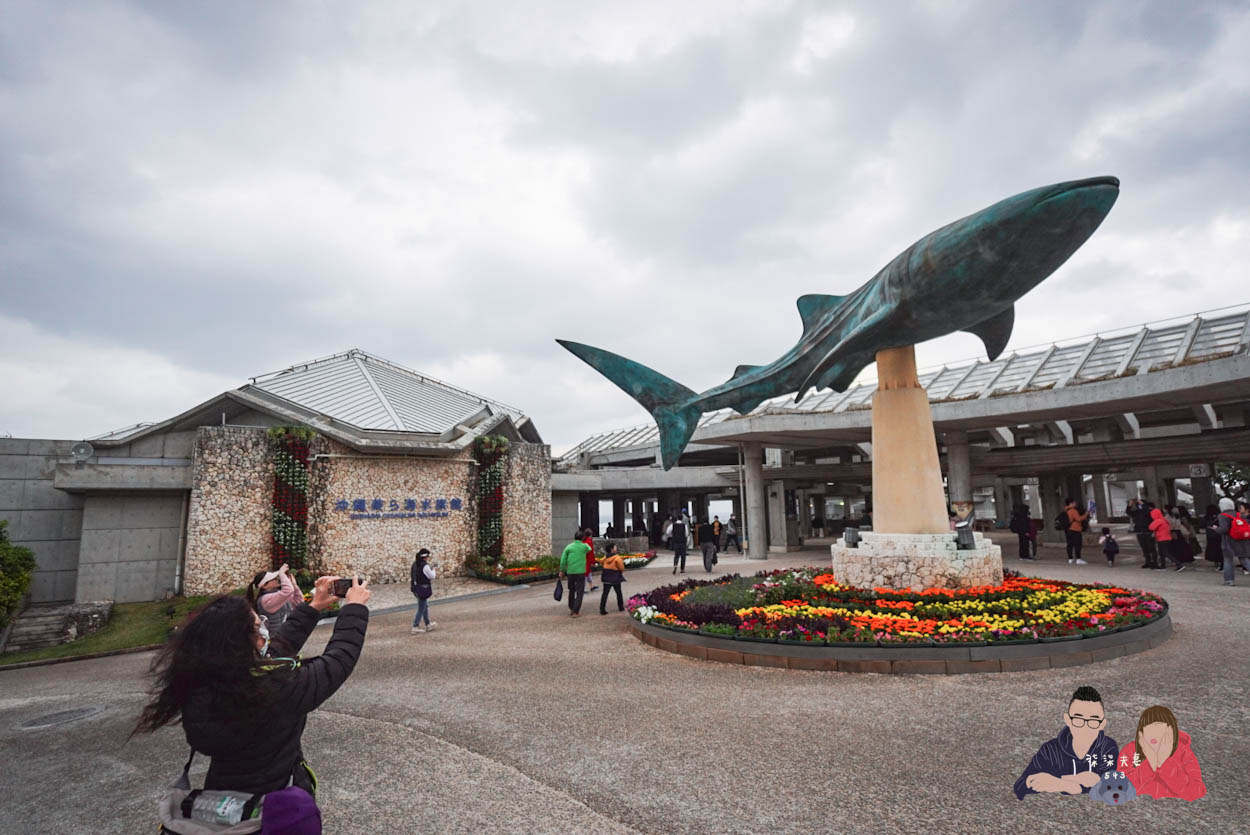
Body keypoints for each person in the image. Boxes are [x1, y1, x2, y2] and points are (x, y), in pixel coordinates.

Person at [133, 575, 371, 808]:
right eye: (258, 629)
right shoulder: (271, 690)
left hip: (223, 802)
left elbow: (273, 653)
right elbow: (336, 663)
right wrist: (354, 609)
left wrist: (314, 607)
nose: (264, 634)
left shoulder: (203, 683)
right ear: (240, 643)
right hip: (275, 806)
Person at [1014, 685, 1118, 800]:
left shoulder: (1107, 747)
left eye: (1093, 721)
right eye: (1078, 719)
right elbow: (1020, 786)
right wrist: (1069, 783)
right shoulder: (1050, 750)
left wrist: (1061, 783)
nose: (1085, 727)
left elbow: (1112, 787)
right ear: (1067, 720)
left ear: (1102, 724)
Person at [1118, 705, 1206, 801]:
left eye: (1158, 727)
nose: (1152, 733)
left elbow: (1196, 792)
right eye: (1147, 728)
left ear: (1171, 731)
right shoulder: (1130, 751)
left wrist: (1165, 762)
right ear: (1141, 732)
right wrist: (1150, 763)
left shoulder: (1184, 753)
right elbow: (1119, 788)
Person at [246, 563, 304, 629]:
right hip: (275, 637)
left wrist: (294, 585)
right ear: (264, 585)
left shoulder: (278, 594)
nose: (277, 579)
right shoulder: (265, 599)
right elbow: (288, 591)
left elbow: (299, 602)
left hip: (286, 634)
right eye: (273, 579)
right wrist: (281, 573)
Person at [1216, 498, 1250, 586]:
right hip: (1242, 540)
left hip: (1228, 541)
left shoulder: (1222, 515)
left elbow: (1224, 529)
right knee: (1244, 560)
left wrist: (1216, 529)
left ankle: (1229, 580)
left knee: (1228, 560)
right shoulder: (1239, 514)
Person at [559, 533, 590, 617]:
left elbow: (563, 560)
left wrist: (562, 570)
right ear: (583, 538)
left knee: (571, 590)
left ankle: (572, 608)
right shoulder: (584, 546)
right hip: (580, 572)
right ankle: (576, 611)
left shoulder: (569, 547)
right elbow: (589, 549)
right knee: (580, 592)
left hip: (570, 572)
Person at [1127, 498, 1160, 569]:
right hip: (1140, 532)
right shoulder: (1136, 512)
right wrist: (1130, 505)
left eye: (1141, 504)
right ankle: (1148, 562)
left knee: (1152, 548)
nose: (1139, 505)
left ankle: (1155, 562)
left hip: (1148, 532)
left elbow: (1146, 510)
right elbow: (1129, 512)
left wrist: (1142, 503)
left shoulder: (1149, 512)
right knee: (1144, 548)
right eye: (1138, 504)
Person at [410, 548, 437, 634]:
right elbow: (432, 576)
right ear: (425, 557)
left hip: (415, 588)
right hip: (423, 589)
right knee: (421, 608)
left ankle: (428, 624)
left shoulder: (415, 564)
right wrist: (434, 569)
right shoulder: (425, 566)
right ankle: (415, 626)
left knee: (424, 605)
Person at [598, 543, 626, 615]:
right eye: (615, 547)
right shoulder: (617, 558)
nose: (616, 548)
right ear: (612, 549)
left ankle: (602, 609)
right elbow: (621, 567)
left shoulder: (606, 557)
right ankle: (620, 607)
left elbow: (601, 561)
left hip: (606, 577)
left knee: (605, 593)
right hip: (615, 577)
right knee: (618, 592)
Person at [1064, 497, 1089, 565]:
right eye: (1074, 502)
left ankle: (1070, 559)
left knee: (1070, 544)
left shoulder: (1066, 510)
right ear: (1071, 503)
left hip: (1068, 529)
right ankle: (1078, 559)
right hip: (1075, 529)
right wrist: (1086, 514)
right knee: (1078, 544)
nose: (1075, 503)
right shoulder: (1073, 510)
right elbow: (1078, 519)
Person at [581, 527, 597, 592]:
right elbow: (591, 552)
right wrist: (593, 561)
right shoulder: (589, 541)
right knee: (586, 573)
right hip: (587, 560)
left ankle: (591, 586)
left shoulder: (583, 541)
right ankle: (583, 588)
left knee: (588, 573)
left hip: (583, 559)